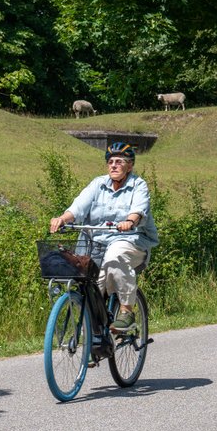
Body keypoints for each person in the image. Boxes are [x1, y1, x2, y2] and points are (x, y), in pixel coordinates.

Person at [49, 141, 159, 333]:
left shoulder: (138, 185)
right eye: (110, 162)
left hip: (130, 241)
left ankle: (127, 312)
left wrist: (130, 221)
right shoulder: (97, 184)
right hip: (96, 244)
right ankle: (94, 339)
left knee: (115, 257)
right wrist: (62, 218)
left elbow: (139, 210)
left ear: (130, 165)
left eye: (119, 161)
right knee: (90, 289)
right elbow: (78, 206)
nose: (113, 165)